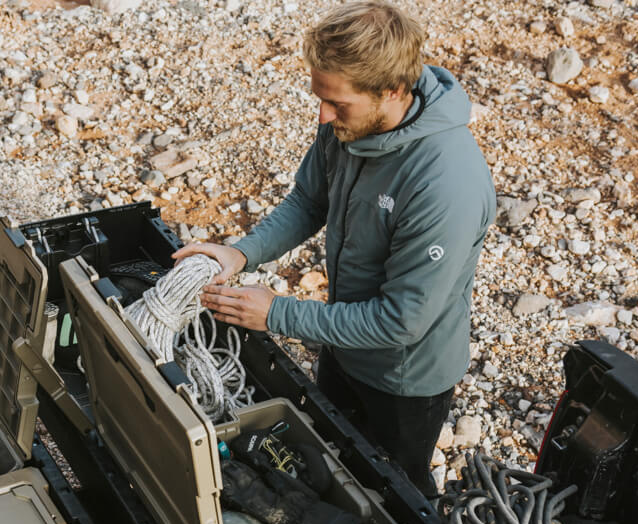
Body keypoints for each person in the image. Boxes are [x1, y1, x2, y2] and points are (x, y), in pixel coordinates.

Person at [175, 1, 495, 496]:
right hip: (343, 344)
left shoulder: (445, 184)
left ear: (392, 91)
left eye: (338, 104)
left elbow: (400, 321)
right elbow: (309, 200)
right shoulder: (351, 125)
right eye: (320, 98)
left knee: (399, 495)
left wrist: (279, 314)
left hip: (404, 378)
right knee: (332, 466)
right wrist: (240, 253)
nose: (323, 116)